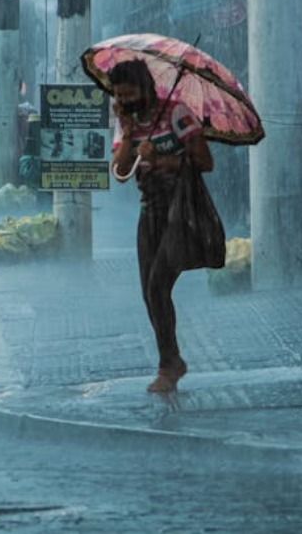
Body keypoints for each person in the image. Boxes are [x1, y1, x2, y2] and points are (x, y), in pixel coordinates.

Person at [109, 59, 218, 395]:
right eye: (119, 96)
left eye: (130, 94)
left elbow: (204, 161)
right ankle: (171, 360)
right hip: (150, 211)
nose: (125, 101)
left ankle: (169, 364)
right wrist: (128, 136)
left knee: (158, 287)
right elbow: (120, 171)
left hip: (180, 209)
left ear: (145, 87)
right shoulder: (127, 122)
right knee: (149, 292)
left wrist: (160, 158)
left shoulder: (176, 114)